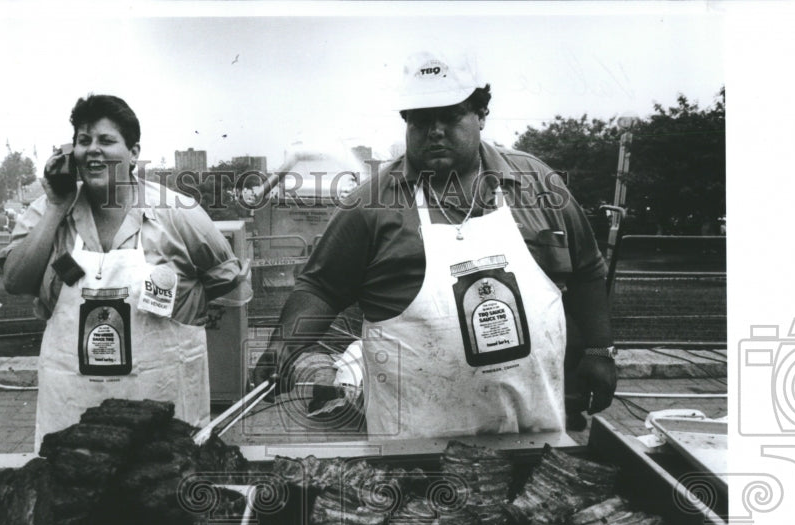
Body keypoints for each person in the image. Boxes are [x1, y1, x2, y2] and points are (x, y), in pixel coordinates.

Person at [251, 50, 617, 439]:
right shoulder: (370, 204)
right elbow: (321, 287)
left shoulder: (537, 182)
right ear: (406, 122)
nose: (435, 130)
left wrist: (598, 350)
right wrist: (282, 349)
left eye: (451, 114)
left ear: (480, 114)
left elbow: (588, 271)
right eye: (422, 119)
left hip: (532, 429)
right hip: (414, 443)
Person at [0, 94, 249, 451]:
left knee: (157, 488)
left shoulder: (177, 212)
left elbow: (227, 280)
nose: (93, 150)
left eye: (106, 140)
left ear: (133, 152)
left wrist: (182, 312)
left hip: (162, 404)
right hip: (73, 410)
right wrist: (56, 205)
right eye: (84, 141)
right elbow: (14, 281)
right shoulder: (47, 212)